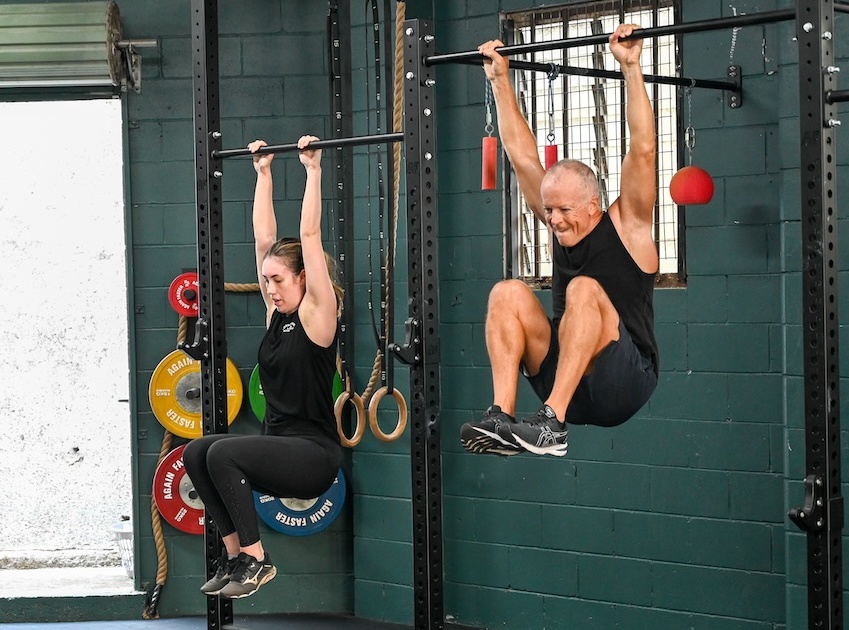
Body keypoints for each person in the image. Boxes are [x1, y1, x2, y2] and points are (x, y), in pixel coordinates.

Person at [460, 24, 659, 458]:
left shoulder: (630, 225)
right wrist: (500, 79)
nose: (553, 220)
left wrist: (630, 67)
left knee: (583, 290)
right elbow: (522, 154)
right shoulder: (557, 218)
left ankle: (552, 423)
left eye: (564, 211)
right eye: (549, 210)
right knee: (507, 292)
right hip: (567, 373)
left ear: (593, 205)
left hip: (621, 380)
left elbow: (643, 150)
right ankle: (502, 418)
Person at [182, 135, 344, 598]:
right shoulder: (277, 316)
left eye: (278, 280)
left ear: (304, 279)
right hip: (280, 450)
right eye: (267, 279)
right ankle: (236, 556)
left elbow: (308, 236)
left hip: (313, 457)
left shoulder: (317, 314)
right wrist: (264, 174)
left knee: (222, 453)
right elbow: (262, 240)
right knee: (197, 453)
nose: (269, 288)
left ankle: (257, 559)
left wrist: (312, 171)